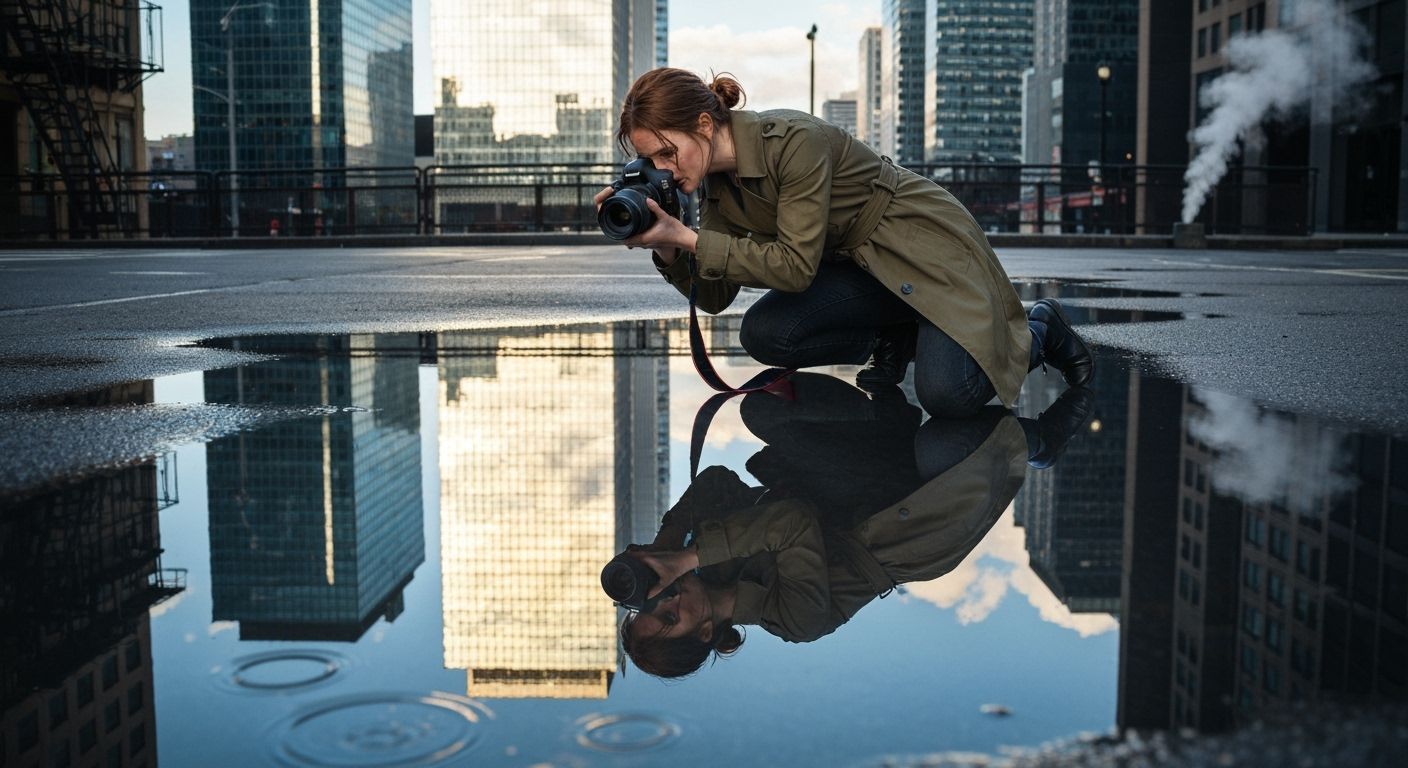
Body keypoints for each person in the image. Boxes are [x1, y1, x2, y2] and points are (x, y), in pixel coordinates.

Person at [595, 68, 1093, 416]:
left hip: (920, 242)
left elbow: (793, 269)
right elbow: (717, 297)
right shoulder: (713, 185)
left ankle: (1038, 330)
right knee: (765, 334)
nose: (663, 169)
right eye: (651, 161)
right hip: (858, 264)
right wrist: (668, 247)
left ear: (704, 125)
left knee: (948, 396)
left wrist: (689, 236)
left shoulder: (792, 141)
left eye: (667, 152)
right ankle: (895, 335)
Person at [618, 373, 1095, 679]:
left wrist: (664, 546)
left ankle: (888, 412)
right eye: (670, 617)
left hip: (841, 473)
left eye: (655, 603)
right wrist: (690, 555)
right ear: (704, 633)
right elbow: (793, 523)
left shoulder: (706, 567)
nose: (670, 599)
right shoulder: (793, 619)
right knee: (960, 440)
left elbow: (716, 480)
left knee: (759, 404)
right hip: (897, 518)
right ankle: (1038, 443)